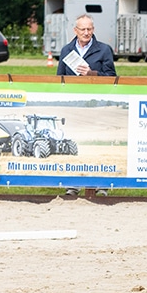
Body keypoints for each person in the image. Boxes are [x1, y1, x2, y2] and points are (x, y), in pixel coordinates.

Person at [57, 14, 116, 196]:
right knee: (75, 145)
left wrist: (92, 74)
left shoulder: (104, 50)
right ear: (75, 31)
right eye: (82, 29)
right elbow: (59, 79)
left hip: (97, 106)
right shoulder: (66, 50)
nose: (86, 32)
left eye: (89, 29)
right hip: (74, 107)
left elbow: (112, 78)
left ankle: (101, 185)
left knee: (98, 145)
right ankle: (73, 184)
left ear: (93, 30)